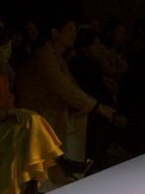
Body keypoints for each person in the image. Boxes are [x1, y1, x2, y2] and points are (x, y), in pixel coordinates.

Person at [0, 27, 69, 194]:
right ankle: (56, 166)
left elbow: (8, 101)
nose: (9, 52)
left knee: (25, 130)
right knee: (30, 124)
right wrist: (11, 113)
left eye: (9, 47)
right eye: (4, 48)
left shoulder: (0, 74)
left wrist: (13, 112)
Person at [15, 17, 116, 166]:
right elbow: (67, 91)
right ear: (55, 32)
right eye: (70, 30)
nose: (74, 34)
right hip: (37, 116)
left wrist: (97, 106)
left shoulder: (55, 58)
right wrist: (98, 107)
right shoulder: (44, 58)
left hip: (49, 112)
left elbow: (72, 89)